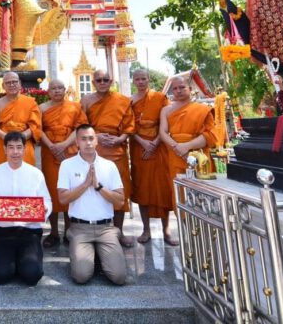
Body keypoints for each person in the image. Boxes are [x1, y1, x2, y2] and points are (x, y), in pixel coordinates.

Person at [58, 124, 127, 286]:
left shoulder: (109, 166)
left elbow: (120, 200)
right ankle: (87, 253)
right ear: (77, 142)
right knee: (81, 276)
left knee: (118, 277)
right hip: (80, 229)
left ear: (97, 141)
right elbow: (62, 199)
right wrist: (85, 184)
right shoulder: (67, 165)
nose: (88, 143)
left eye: (91, 139)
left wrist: (98, 187)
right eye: (83, 139)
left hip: (106, 228)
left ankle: (102, 252)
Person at [0, 131, 52, 285]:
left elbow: (46, 200)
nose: (15, 152)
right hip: (3, 232)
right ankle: (11, 261)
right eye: (11, 147)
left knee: (32, 275)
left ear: (24, 149)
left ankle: (23, 261)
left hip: (29, 231)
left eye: (19, 147)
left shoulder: (36, 174)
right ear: (5, 149)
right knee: (0, 276)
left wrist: (44, 209)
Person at [81, 69, 135, 247]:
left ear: (111, 81)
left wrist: (120, 138)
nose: (102, 82)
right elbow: (81, 126)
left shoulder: (122, 101)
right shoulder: (86, 101)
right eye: (99, 80)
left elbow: (129, 125)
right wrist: (96, 135)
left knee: (119, 190)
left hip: (116, 149)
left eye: (106, 79)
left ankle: (119, 231)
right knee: (94, 190)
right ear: (93, 82)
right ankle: (94, 232)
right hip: (93, 149)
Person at [159, 76, 218, 217]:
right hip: (176, 156)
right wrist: (177, 147)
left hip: (199, 157)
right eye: (175, 88)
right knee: (181, 197)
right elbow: (162, 132)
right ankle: (186, 233)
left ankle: (207, 234)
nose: (178, 91)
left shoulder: (202, 109)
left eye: (182, 87)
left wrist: (187, 146)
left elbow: (209, 135)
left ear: (190, 89)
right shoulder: (166, 110)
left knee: (203, 198)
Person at [39, 79, 86, 247]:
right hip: (50, 151)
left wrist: (64, 145)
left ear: (65, 89)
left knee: (70, 189)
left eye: (60, 87)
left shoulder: (74, 107)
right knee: (52, 190)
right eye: (53, 88)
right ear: (48, 92)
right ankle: (53, 232)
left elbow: (79, 129)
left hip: (70, 150)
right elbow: (38, 129)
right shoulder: (42, 108)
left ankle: (69, 230)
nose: (57, 91)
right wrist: (52, 146)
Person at [129, 70, 174, 245]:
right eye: (137, 79)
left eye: (143, 79)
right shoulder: (130, 101)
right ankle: (145, 229)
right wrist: (143, 142)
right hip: (139, 146)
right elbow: (129, 127)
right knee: (142, 188)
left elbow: (166, 122)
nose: (140, 82)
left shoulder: (160, 98)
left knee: (162, 187)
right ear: (133, 81)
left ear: (148, 80)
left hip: (159, 145)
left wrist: (155, 143)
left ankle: (166, 230)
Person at [0, 72, 41, 166]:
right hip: (3, 141)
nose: (12, 85)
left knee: (25, 172)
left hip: (24, 141)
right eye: (8, 83)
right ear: (3, 85)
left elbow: (35, 126)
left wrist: (21, 137)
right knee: (3, 172)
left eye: (14, 82)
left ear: (20, 84)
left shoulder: (30, 102)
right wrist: (5, 137)